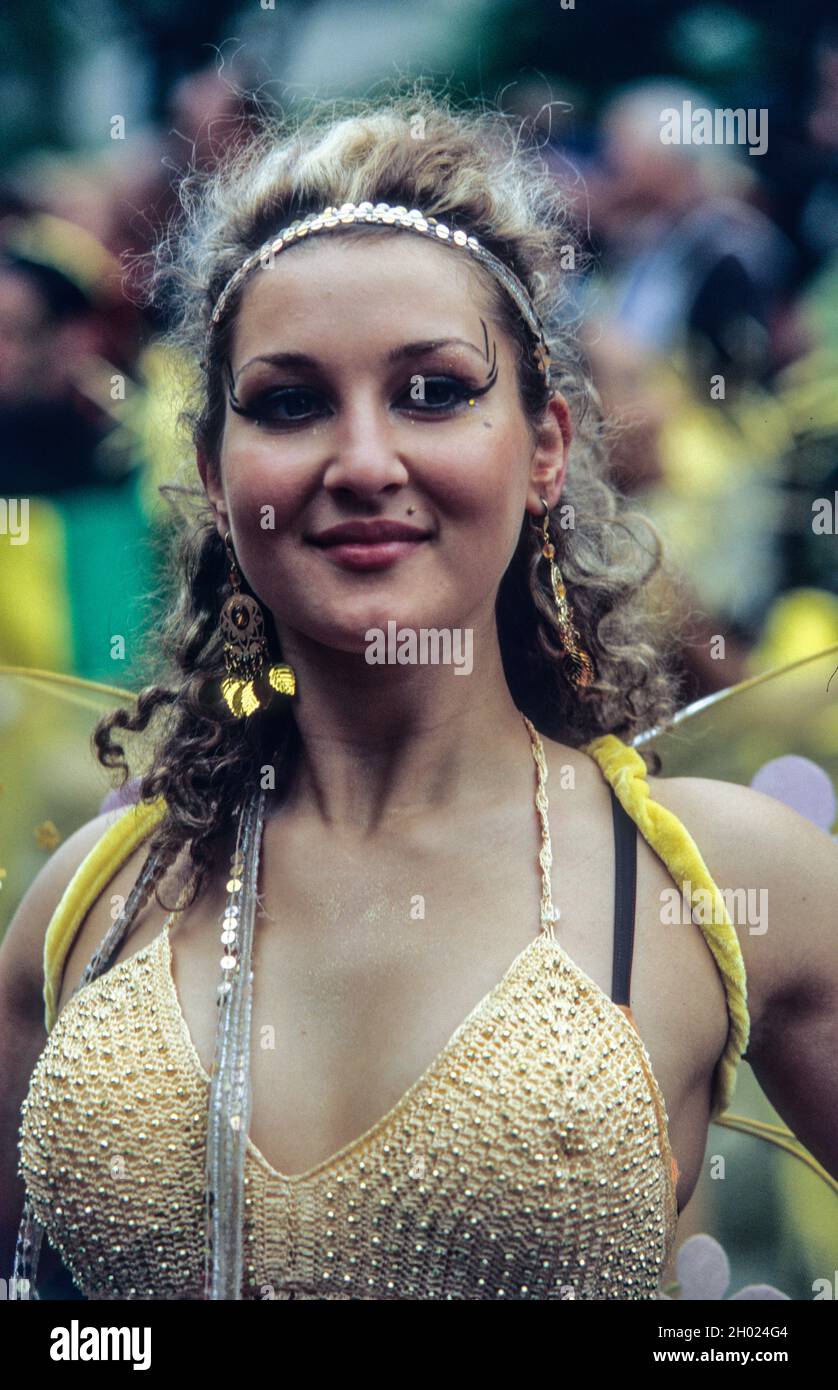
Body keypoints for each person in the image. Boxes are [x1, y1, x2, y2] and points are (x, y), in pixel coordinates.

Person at [1, 90, 836, 1302]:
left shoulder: (721, 883)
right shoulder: (86, 903)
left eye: (434, 391)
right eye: (289, 403)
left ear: (544, 447)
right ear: (215, 475)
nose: (364, 461)